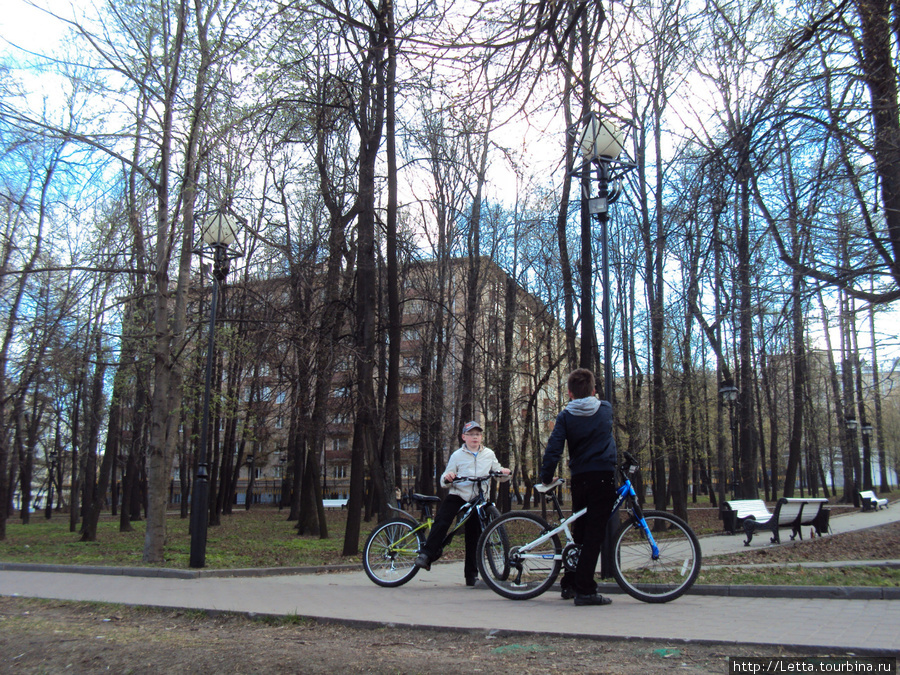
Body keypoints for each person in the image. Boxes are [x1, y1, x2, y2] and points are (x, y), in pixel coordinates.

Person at [540, 368, 617, 606]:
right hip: (603, 476)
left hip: (580, 478)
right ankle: (585, 590)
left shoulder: (565, 416)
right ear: (593, 390)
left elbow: (554, 447)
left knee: (580, 533)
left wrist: (546, 477)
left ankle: (570, 584)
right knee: (594, 535)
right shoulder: (605, 409)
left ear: (570, 393)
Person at [414, 420, 511, 586]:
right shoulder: (457, 455)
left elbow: (498, 472)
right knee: (442, 520)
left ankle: (471, 575)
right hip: (458, 494)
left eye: (478, 434)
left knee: (474, 536)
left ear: (481, 437)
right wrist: (447, 477)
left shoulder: (488, 454)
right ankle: (426, 555)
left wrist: (504, 472)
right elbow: (446, 476)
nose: (475, 437)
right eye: (471, 434)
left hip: (478, 499)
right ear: (463, 437)